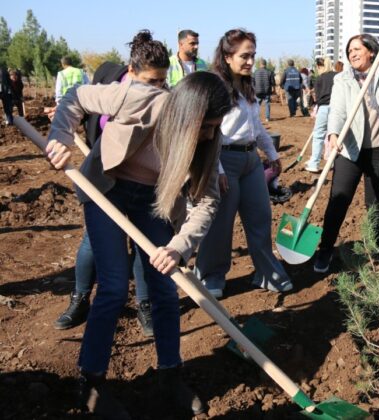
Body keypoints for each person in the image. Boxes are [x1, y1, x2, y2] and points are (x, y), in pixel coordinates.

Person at [46, 64, 231, 416]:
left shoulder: (210, 140)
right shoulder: (140, 98)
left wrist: (179, 246)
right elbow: (76, 98)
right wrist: (61, 137)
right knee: (114, 285)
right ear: (185, 114)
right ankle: (91, 381)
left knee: (164, 285)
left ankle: (170, 375)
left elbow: (207, 200)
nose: (209, 135)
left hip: (155, 201)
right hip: (108, 190)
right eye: (205, 127)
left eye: (214, 128)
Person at [53, 32, 170, 336]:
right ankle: (79, 299)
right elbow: (77, 100)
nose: (157, 89)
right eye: (150, 82)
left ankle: (144, 304)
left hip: (147, 186)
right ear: (131, 73)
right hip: (109, 183)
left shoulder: (166, 99)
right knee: (93, 243)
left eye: (161, 82)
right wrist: (60, 137)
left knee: (147, 247)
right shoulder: (118, 92)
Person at [195, 29, 293, 298]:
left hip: (251, 160)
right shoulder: (215, 86)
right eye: (244, 56)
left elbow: (256, 125)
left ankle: (266, 272)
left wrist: (271, 153)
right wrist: (219, 169)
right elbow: (209, 133)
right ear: (227, 57)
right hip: (224, 159)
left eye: (253, 55)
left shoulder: (246, 85)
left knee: (261, 217)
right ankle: (211, 275)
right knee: (221, 223)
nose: (250, 61)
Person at [313, 30, 379, 273]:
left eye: (357, 49)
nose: (352, 54)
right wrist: (334, 133)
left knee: (377, 201)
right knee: (339, 199)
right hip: (351, 149)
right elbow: (337, 110)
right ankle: (326, 249)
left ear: (371, 51)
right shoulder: (343, 79)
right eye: (349, 52)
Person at [305, 57, 338, 173]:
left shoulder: (319, 79)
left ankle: (314, 163)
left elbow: (318, 98)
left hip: (323, 108)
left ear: (320, 67)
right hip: (337, 109)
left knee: (318, 135)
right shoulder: (337, 76)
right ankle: (333, 162)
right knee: (334, 135)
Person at [253, 58, 275, 122]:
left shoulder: (255, 72)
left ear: (260, 64)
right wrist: (273, 90)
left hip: (257, 91)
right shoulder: (269, 72)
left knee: (257, 104)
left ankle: (256, 118)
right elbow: (272, 82)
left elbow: (252, 82)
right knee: (267, 104)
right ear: (266, 64)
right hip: (267, 91)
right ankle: (267, 118)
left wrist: (254, 89)